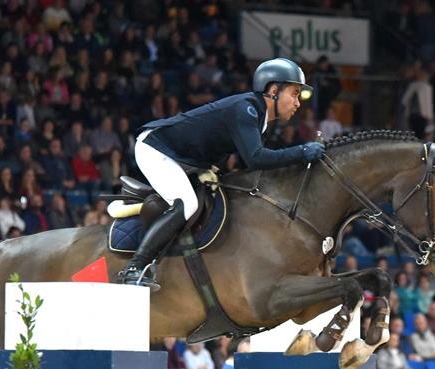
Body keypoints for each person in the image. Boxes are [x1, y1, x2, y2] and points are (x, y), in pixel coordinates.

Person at [118, 58, 325, 290]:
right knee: (187, 203)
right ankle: (135, 268)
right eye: (294, 94)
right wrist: (303, 151)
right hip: (156, 148)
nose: (298, 103)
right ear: (273, 90)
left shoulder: (261, 120)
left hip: (186, 158)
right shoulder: (246, 109)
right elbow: (256, 159)